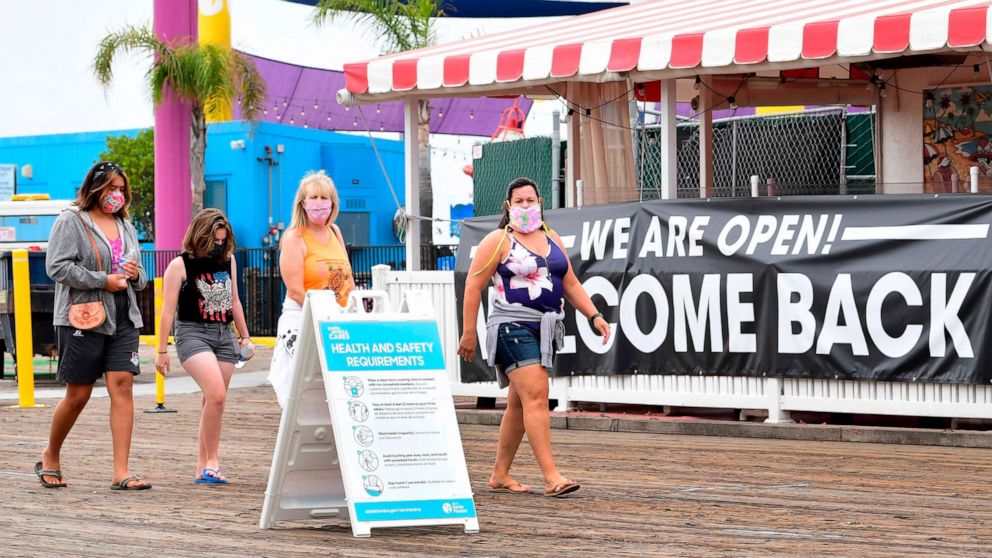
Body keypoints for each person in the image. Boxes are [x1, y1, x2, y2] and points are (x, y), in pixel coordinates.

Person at [458, 177, 610, 498]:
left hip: (543, 328)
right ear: (508, 206)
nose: (526, 206)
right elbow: (473, 286)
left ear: (540, 203)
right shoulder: (498, 241)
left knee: (518, 403)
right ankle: (552, 476)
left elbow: (569, 282)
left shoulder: (552, 237)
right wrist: (469, 332)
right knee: (538, 395)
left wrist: (594, 315)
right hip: (510, 325)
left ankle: (500, 474)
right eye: (520, 201)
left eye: (531, 200)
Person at [37, 161, 150, 490]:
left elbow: (140, 277)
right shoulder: (71, 220)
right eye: (111, 188)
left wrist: (133, 275)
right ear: (95, 188)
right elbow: (56, 267)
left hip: (124, 314)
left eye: (121, 189)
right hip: (83, 315)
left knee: (123, 386)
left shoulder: (125, 223)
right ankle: (51, 455)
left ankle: (121, 471)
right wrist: (102, 280)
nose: (117, 195)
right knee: (79, 394)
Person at [155, 209, 254, 484]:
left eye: (222, 241)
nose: (218, 247)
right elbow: (167, 311)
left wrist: (245, 336)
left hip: (224, 335)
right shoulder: (180, 265)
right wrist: (162, 350)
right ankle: (213, 460)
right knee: (217, 395)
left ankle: (202, 467)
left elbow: (234, 301)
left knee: (212, 401)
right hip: (193, 334)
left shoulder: (228, 261)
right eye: (214, 241)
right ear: (200, 236)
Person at [268, 170, 355, 406]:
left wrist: (352, 309)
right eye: (313, 198)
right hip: (304, 318)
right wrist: (326, 313)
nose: (319, 204)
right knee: (304, 383)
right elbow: (295, 290)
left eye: (323, 198)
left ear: (333, 202)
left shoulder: (335, 232)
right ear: (303, 203)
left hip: (338, 320)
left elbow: (348, 278)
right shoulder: (295, 237)